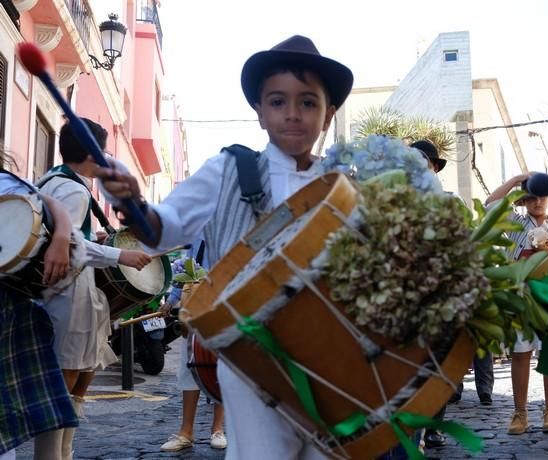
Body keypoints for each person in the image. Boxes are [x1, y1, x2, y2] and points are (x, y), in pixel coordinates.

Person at [96, 35, 353, 460]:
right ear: (259, 111)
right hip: (251, 357)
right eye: (277, 101)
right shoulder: (228, 171)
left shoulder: (345, 188)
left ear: (329, 115)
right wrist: (133, 203)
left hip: (330, 360)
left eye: (308, 103)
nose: (292, 114)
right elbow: (165, 227)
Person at [37, 118, 152, 460]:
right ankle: (55, 455)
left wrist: (94, 239)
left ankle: (63, 452)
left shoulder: (50, 179)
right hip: (70, 292)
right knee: (67, 374)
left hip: (55, 291)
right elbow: (70, 247)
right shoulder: (74, 189)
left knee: (77, 371)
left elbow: (68, 236)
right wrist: (121, 254)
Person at [410, 139, 494, 450]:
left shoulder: (449, 201)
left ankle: (433, 427)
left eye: (428, 163)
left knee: (439, 366)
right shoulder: (396, 196)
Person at [0, 151, 78, 459]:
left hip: (13, 308)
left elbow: (51, 203)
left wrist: (60, 237)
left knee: (42, 410)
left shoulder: (6, 182)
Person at [485, 173, 548, 435]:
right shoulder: (513, 222)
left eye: (542, 196)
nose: (537, 202)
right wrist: (516, 180)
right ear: (524, 201)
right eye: (532, 197)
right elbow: (491, 204)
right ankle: (519, 412)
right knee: (520, 353)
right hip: (520, 294)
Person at [158, 239, 226, 452]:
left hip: (225, 305)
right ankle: (185, 432)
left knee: (221, 369)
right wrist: (172, 299)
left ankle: (218, 429)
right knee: (189, 367)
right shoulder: (199, 233)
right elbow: (188, 266)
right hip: (195, 306)